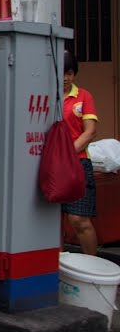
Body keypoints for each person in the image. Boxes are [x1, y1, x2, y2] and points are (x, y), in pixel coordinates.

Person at [61, 52, 99, 255]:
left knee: (79, 219)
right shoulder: (45, 95)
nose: (66, 78)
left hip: (78, 164)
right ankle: (56, 273)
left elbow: (90, 131)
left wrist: (66, 154)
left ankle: (92, 270)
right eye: (61, 73)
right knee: (51, 222)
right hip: (51, 168)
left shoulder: (84, 96)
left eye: (70, 73)